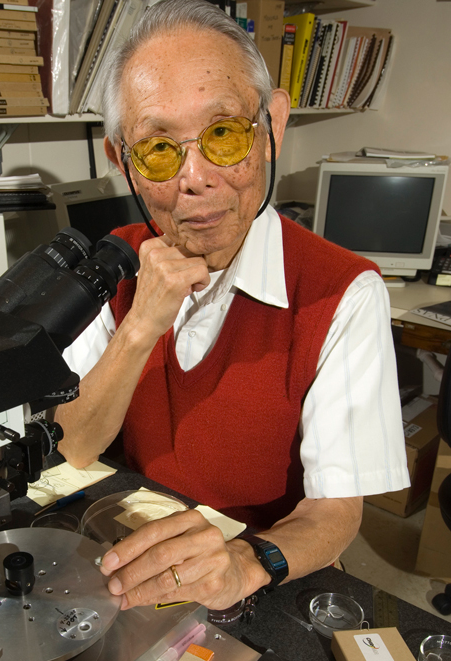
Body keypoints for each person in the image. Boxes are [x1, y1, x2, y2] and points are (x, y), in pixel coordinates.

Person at [55, 0, 409, 612]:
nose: (196, 179)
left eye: (223, 135)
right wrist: (140, 325)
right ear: (125, 165)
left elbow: (335, 512)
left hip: (267, 566)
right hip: (140, 542)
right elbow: (72, 446)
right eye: (160, 149)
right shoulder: (118, 261)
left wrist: (246, 563)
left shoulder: (343, 291)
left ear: (271, 128)